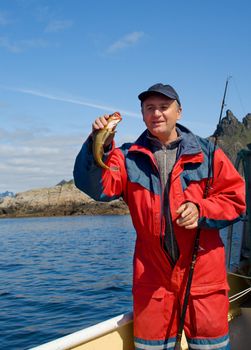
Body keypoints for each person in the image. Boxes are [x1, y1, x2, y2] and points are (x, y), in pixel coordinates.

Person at [73, 83, 246, 350]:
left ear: (179, 112)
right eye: (149, 108)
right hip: (152, 282)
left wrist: (203, 210)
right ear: (142, 115)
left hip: (203, 280)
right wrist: (98, 144)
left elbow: (236, 200)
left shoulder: (209, 154)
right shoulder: (127, 157)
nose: (157, 114)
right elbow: (95, 185)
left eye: (164, 107)